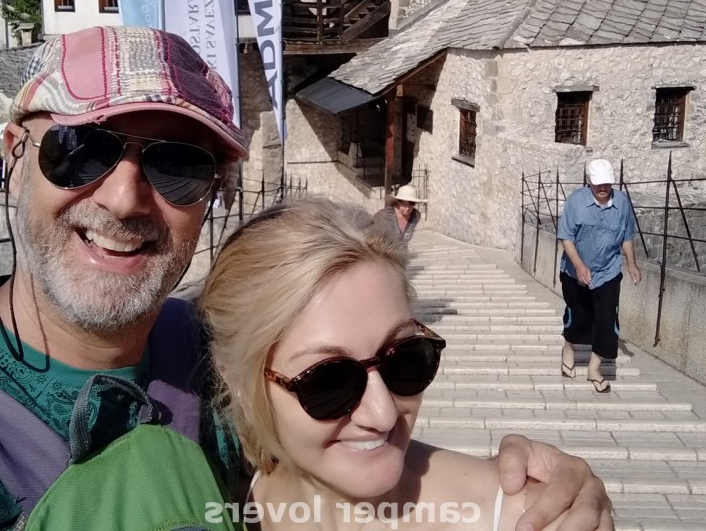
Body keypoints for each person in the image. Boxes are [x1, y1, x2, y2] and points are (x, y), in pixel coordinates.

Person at [0, 25, 611, 530]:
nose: (125, 198)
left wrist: (529, 497)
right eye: (82, 149)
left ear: (213, 195)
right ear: (12, 157)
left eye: (177, 165)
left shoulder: (215, 356)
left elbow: (327, 454)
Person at [200, 197, 593, 531]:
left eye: (405, 359)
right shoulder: (224, 502)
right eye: (329, 381)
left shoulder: (524, 518)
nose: (383, 414)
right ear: (237, 380)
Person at [557, 158, 643, 393]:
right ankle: (568, 348)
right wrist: (579, 265)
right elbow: (566, 237)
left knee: (607, 319)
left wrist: (631, 263)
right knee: (579, 316)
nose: (603, 188)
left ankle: (594, 369)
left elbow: (626, 235)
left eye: (607, 183)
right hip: (574, 272)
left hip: (608, 271)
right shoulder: (576, 202)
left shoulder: (622, 203)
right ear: (590, 182)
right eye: (598, 184)